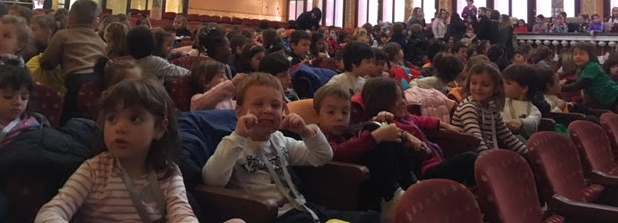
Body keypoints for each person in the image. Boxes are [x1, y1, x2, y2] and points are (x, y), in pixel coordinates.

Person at [202, 73, 381, 223]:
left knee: (372, 218)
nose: (268, 110)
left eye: (275, 105)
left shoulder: (281, 140)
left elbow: (323, 156)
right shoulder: (233, 145)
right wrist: (238, 136)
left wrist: (306, 131)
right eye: (258, 104)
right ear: (239, 111)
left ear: (283, 110)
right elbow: (212, 180)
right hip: (270, 216)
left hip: (304, 208)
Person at [35, 78, 202, 223]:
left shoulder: (168, 172)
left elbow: (182, 214)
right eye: (112, 118)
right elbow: (51, 211)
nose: (120, 128)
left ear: (159, 128)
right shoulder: (94, 171)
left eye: (134, 118)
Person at [313, 84, 415, 221]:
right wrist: (375, 136)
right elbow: (337, 153)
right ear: (316, 115)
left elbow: (360, 128)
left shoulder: (347, 131)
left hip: (366, 181)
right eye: (331, 112)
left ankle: (410, 185)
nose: (339, 117)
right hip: (345, 186)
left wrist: (377, 121)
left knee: (382, 133)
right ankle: (391, 195)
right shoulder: (317, 136)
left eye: (345, 112)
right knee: (377, 138)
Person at [362, 78, 477, 188]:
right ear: (380, 103)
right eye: (395, 99)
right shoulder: (385, 124)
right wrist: (383, 117)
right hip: (423, 172)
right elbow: (379, 127)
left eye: (402, 97)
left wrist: (446, 125)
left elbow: (424, 120)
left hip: (437, 161)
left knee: (473, 159)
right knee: (470, 158)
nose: (403, 102)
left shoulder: (407, 118)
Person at [0, 61, 40, 222]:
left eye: (24, 97)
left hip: (6, 192)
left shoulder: (31, 128)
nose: (18, 102)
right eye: (8, 96)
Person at [40, 0, 107, 120]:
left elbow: (47, 62)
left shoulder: (63, 35)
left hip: (77, 81)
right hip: (99, 80)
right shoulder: (101, 41)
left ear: (70, 17)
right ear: (96, 21)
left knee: (69, 117)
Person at [451, 62, 528, 155]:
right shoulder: (469, 107)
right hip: (471, 157)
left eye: (485, 85)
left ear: (495, 88)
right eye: (474, 83)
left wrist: (531, 154)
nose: (478, 88)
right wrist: (491, 161)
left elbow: (508, 137)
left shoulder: (492, 107)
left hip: (487, 155)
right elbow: (477, 142)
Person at [561, 42, 618, 112]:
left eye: (581, 54)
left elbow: (581, 84)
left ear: (590, 55)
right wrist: (566, 81)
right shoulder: (581, 69)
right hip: (607, 99)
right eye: (575, 54)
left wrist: (561, 88)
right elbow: (579, 81)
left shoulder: (592, 66)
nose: (577, 56)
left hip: (614, 96)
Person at [26, 14, 66, 96]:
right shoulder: (29, 49)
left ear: (48, 33)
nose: (30, 33)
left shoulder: (51, 55)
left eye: (34, 29)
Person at [501, 65, 541, 143]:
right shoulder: (501, 102)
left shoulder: (533, 110)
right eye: (503, 82)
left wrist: (521, 123)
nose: (503, 85)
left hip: (518, 143)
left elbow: (533, 121)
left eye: (508, 83)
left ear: (524, 88)